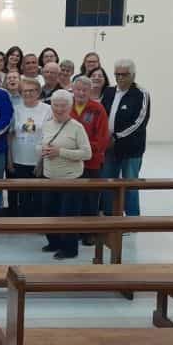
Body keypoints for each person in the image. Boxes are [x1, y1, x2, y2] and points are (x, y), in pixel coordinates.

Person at [40, 90, 91, 259]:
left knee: (68, 214)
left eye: (63, 106)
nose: (59, 109)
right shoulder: (46, 124)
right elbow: (40, 145)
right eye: (55, 105)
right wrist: (43, 150)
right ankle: (54, 242)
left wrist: (60, 152)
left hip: (71, 179)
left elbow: (86, 153)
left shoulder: (77, 127)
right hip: (49, 177)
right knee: (49, 211)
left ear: (70, 107)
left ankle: (70, 249)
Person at [101, 59, 150, 217]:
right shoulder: (109, 92)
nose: (120, 78)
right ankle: (111, 217)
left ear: (133, 75)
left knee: (130, 184)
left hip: (131, 149)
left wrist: (116, 137)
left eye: (124, 74)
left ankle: (132, 219)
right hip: (110, 147)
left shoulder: (141, 94)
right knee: (108, 182)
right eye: (117, 74)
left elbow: (139, 122)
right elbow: (102, 115)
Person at [71, 76, 110, 242]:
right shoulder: (66, 107)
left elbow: (102, 139)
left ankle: (89, 233)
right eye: (78, 89)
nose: (80, 93)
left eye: (84, 90)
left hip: (91, 162)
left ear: (90, 91)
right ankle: (74, 231)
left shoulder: (97, 109)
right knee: (73, 198)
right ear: (72, 90)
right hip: (70, 163)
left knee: (90, 199)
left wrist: (83, 150)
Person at [8, 77, 52, 217]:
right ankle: (23, 223)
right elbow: (9, 135)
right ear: (20, 93)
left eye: (32, 90)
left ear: (38, 92)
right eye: (25, 91)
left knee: (39, 195)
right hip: (19, 158)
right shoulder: (15, 110)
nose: (28, 93)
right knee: (23, 195)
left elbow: (50, 137)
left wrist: (42, 161)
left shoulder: (48, 109)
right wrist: (9, 160)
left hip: (39, 160)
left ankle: (38, 223)